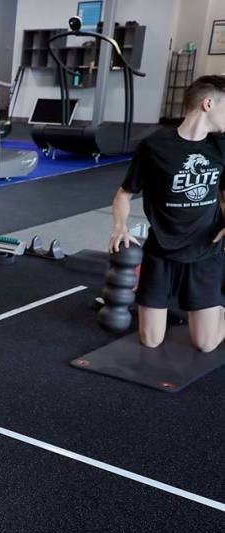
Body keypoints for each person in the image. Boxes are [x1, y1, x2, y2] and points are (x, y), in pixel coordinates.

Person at [110, 75, 225, 352]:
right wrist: (120, 226)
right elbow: (125, 193)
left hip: (205, 251)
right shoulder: (154, 147)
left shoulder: (221, 147)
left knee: (206, 344)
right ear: (208, 104)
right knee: (150, 340)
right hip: (160, 251)